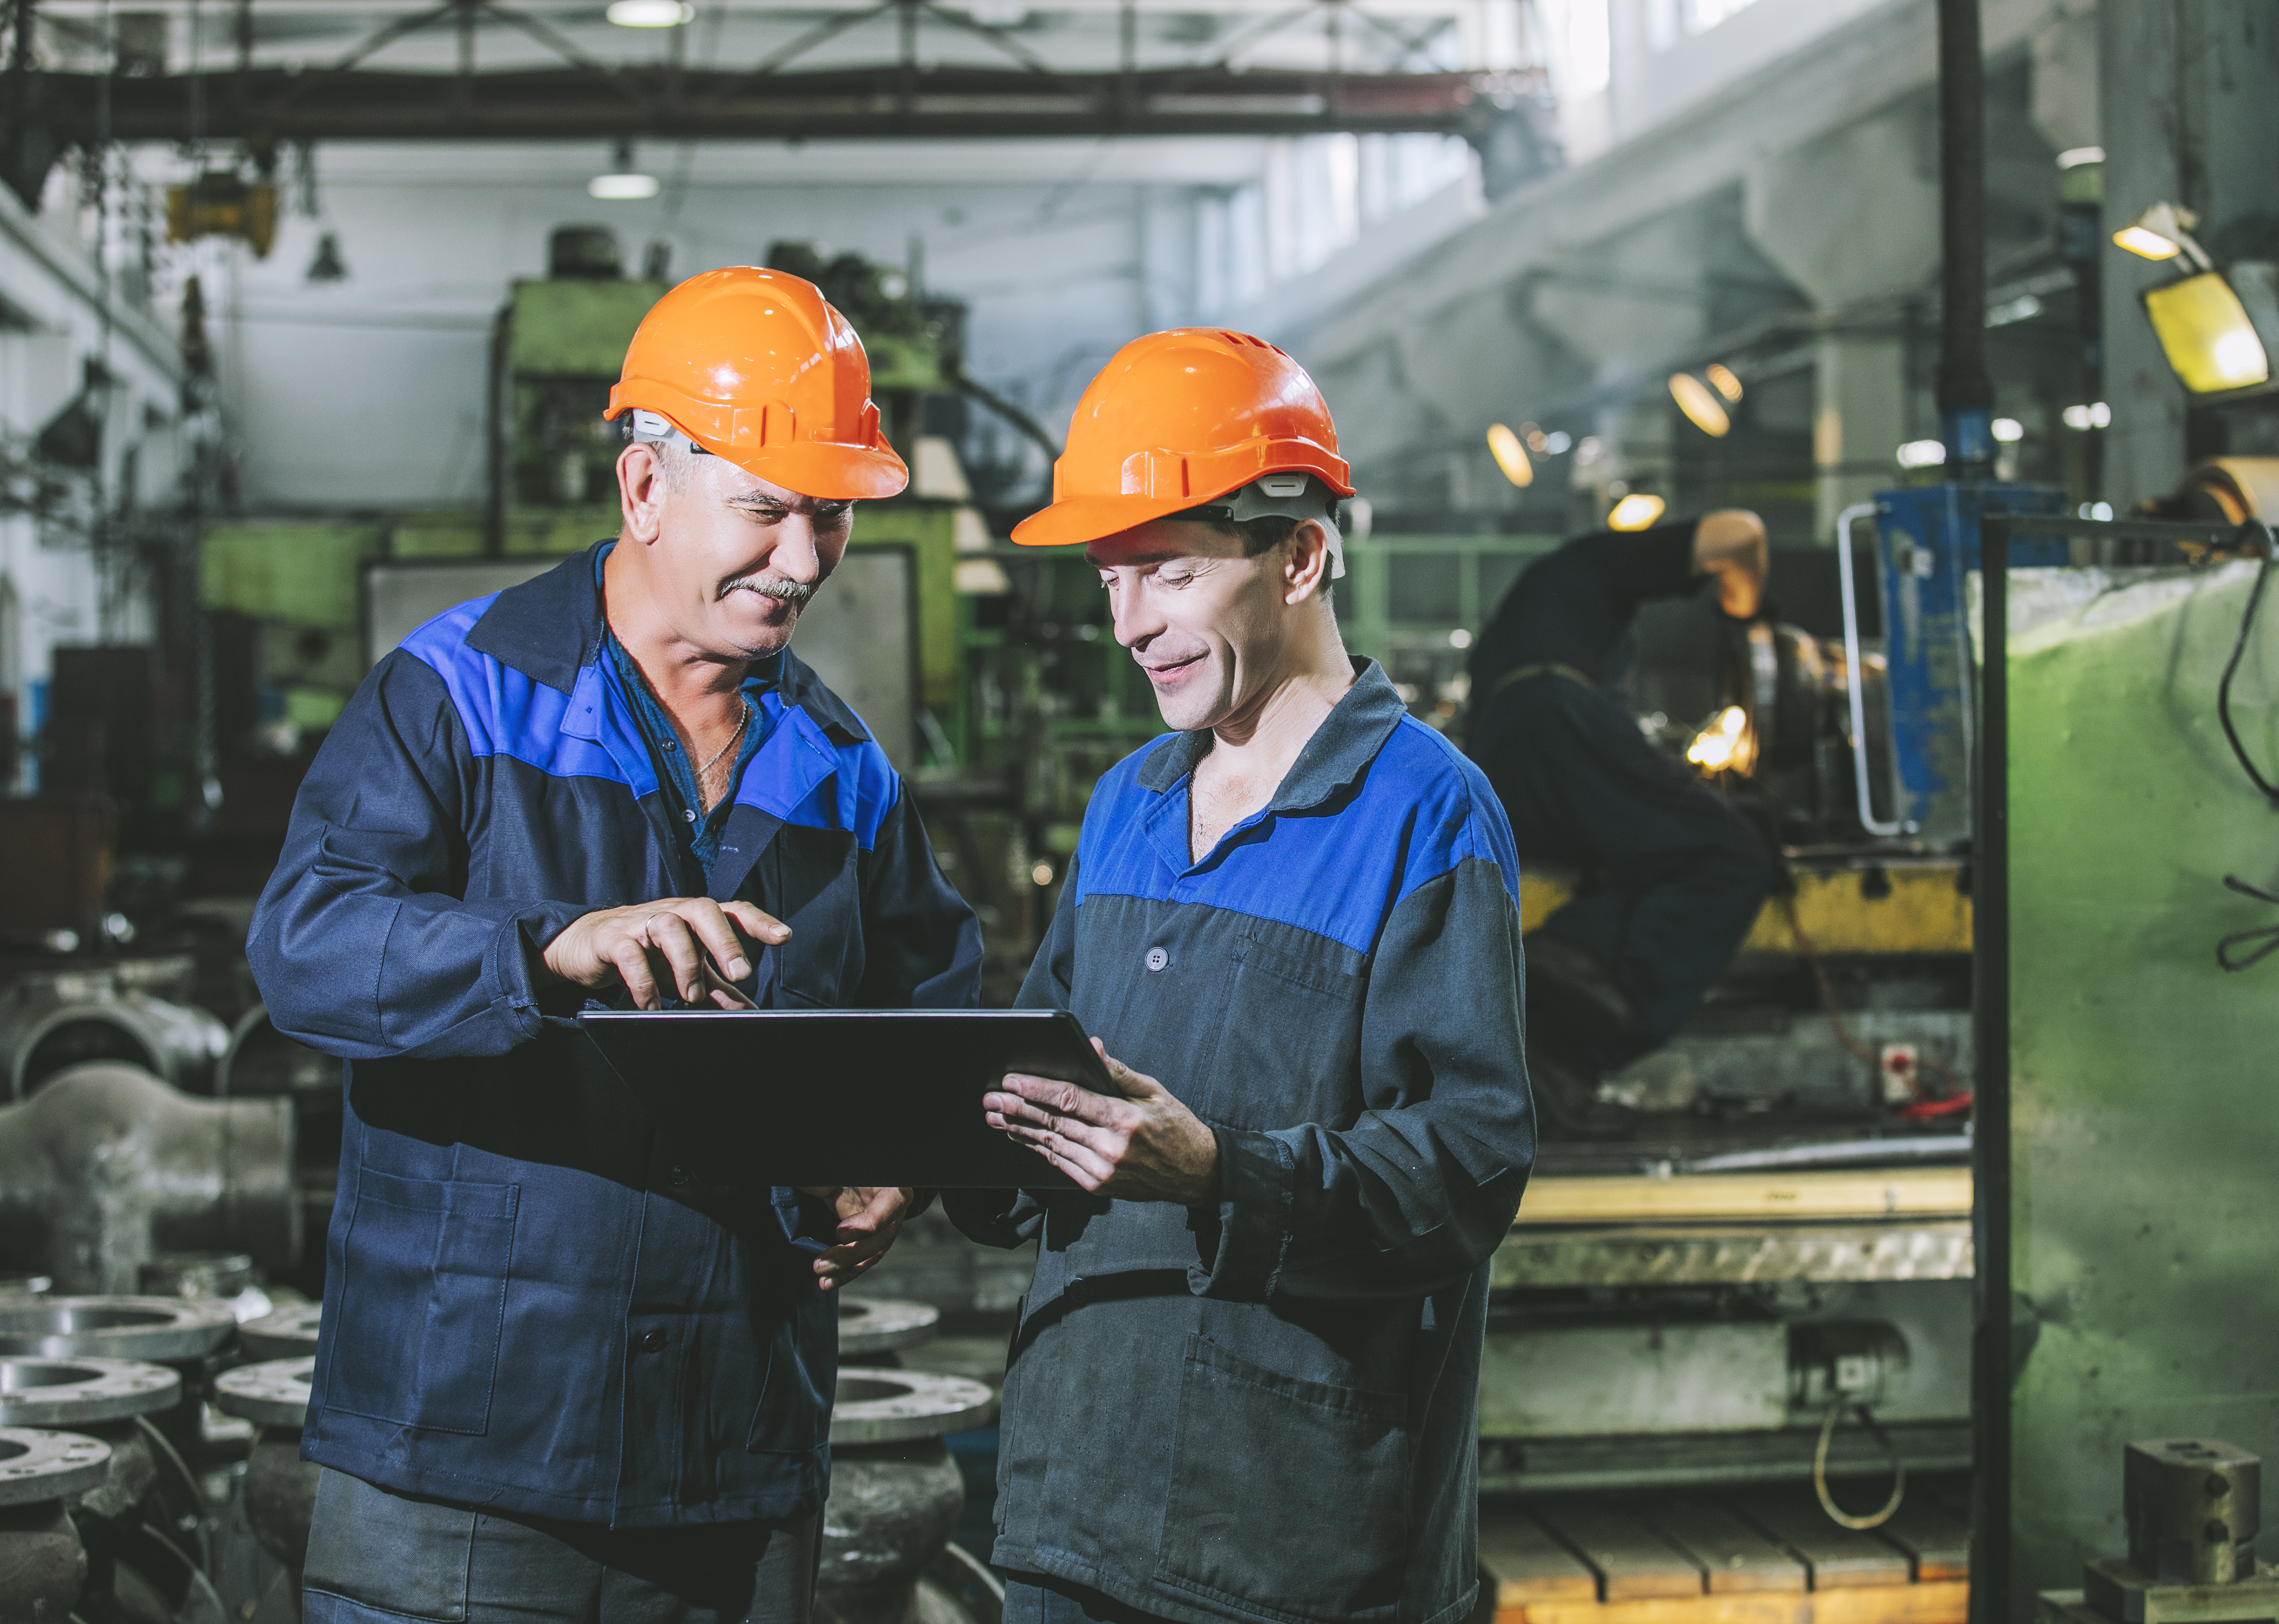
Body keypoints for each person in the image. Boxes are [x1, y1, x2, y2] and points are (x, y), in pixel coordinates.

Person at [247, 266, 981, 1623]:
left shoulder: (839, 767)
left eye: (831, 519)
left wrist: (908, 1162)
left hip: (736, 1462)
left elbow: (931, 1006)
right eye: (764, 512)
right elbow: (305, 945)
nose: (806, 562)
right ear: (645, 489)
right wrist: (547, 948)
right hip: (467, 1459)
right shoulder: (458, 693)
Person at [943, 329, 1534, 1624]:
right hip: (1070, 1510)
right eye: (1110, 580)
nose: (1129, 624)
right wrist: (933, 1147)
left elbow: (1471, 1165)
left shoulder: (1426, 814)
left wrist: (1221, 1174)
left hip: (1294, 1543)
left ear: (1300, 555)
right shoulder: (1129, 806)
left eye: (1166, 574)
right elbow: (1048, 1098)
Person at [1463, 512, 1776, 1134]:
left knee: (1648, 855)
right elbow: (1741, 536)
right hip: (1552, 719)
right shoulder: (1595, 562)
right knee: (1732, 853)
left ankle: (1549, 1036)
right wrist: (1748, 618)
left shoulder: (1533, 621)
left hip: (1502, 755)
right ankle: (1566, 992)